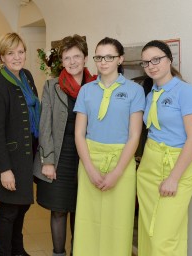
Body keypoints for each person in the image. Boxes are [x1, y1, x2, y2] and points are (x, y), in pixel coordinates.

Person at [73, 37, 145, 256]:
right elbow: (79, 133)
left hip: (121, 161)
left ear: (120, 59)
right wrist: (90, 168)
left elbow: (134, 136)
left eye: (109, 57)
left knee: (118, 221)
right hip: (90, 159)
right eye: (99, 57)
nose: (103, 62)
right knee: (88, 220)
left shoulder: (134, 90)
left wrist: (117, 172)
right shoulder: (86, 90)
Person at [137, 40, 192, 256]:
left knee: (163, 239)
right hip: (149, 168)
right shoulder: (151, 94)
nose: (151, 65)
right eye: (146, 62)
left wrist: (174, 177)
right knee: (148, 233)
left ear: (170, 59)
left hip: (176, 167)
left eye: (156, 59)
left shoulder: (186, 92)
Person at [33, 34, 96, 256]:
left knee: (82, 211)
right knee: (59, 211)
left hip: (87, 158)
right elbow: (45, 126)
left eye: (76, 56)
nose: (72, 62)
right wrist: (47, 160)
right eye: (67, 58)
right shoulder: (52, 87)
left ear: (85, 58)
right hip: (60, 158)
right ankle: (58, 253)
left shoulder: (96, 86)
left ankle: (77, 251)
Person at [0, 32, 40, 256]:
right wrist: (4, 170)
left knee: (22, 207)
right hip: (9, 159)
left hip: (27, 157)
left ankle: (18, 249)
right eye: (11, 53)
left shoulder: (26, 76)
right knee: (8, 210)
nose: (17, 57)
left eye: (20, 52)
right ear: (2, 58)